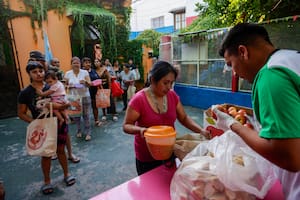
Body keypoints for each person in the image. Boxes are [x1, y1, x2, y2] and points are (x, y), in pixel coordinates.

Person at [212, 23, 300, 200]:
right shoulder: (291, 59)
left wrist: (232, 125)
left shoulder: (271, 76)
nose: (234, 74)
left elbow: (290, 157)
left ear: (243, 52)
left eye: (231, 65)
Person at [123, 61, 210, 175]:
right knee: (150, 189)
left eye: (171, 83)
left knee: (167, 185)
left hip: (169, 151)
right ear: (153, 80)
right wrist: (141, 130)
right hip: (146, 157)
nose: (169, 87)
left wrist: (201, 131)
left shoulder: (172, 96)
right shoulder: (139, 99)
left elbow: (183, 118)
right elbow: (126, 126)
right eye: (165, 83)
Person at [18, 57, 76, 195]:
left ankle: (67, 174)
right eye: (34, 72)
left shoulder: (51, 85)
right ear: (29, 74)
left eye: (41, 71)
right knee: (46, 155)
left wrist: (66, 105)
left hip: (58, 123)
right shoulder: (25, 93)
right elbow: (21, 113)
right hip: (43, 127)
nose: (39, 74)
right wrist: (34, 123)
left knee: (61, 150)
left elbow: (63, 100)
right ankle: (47, 181)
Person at [64, 57, 92, 141]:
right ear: (71, 64)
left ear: (80, 64)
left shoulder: (85, 72)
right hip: (74, 97)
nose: (76, 64)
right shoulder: (68, 73)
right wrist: (70, 86)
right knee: (76, 115)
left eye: (78, 63)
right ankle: (79, 130)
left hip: (85, 96)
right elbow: (64, 85)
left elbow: (90, 84)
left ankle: (88, 132)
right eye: (74, 63)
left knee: (86, 115)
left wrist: (85, 82)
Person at [81, 57, 102, 126]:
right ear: (83, 64)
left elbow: (98, 79)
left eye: (89, 62)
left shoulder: (93, 71)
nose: (88, 64)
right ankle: (86, 122)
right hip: (84, 92)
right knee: (85, 108)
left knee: (94, 106)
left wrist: (98, 86)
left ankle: (96, 120)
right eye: (86, 63)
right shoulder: (81, 72)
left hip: (94, 91)